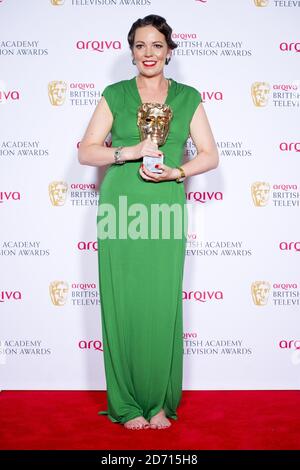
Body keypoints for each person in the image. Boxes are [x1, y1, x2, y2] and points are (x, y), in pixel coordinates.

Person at [78, 14, 219, 431]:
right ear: (132, 51)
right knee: (123, 303)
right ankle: (125, 403)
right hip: (122, 208)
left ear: (170, 50)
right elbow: (87, 152)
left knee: (161, 303)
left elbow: (210, 155)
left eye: (157, 45)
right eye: (140, 45)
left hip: (165, 208)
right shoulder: (115, 94)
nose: (149, 53)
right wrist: (131, 150)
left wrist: (177, 172)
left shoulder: (188, 97)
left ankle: (158, 401)